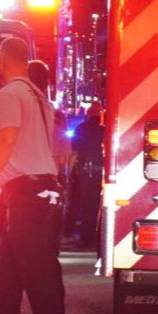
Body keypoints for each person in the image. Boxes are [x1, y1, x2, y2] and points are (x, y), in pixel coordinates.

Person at [0, 37, 70, 314]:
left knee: (36, 270)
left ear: (2, 59)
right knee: (15, 268)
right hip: (44, 189)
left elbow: (7, 138)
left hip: (24, 191)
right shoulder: (38, 96)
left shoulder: (9, 94)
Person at [66, 105, 105, 248]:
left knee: (84, 205)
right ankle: (93, 237)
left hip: (84, 171)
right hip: (99, 171)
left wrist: (69, 173)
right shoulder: (103, 130)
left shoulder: (80, 129)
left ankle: (85, 237)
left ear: (87, 114)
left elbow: (74, 153)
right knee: (95, 205)